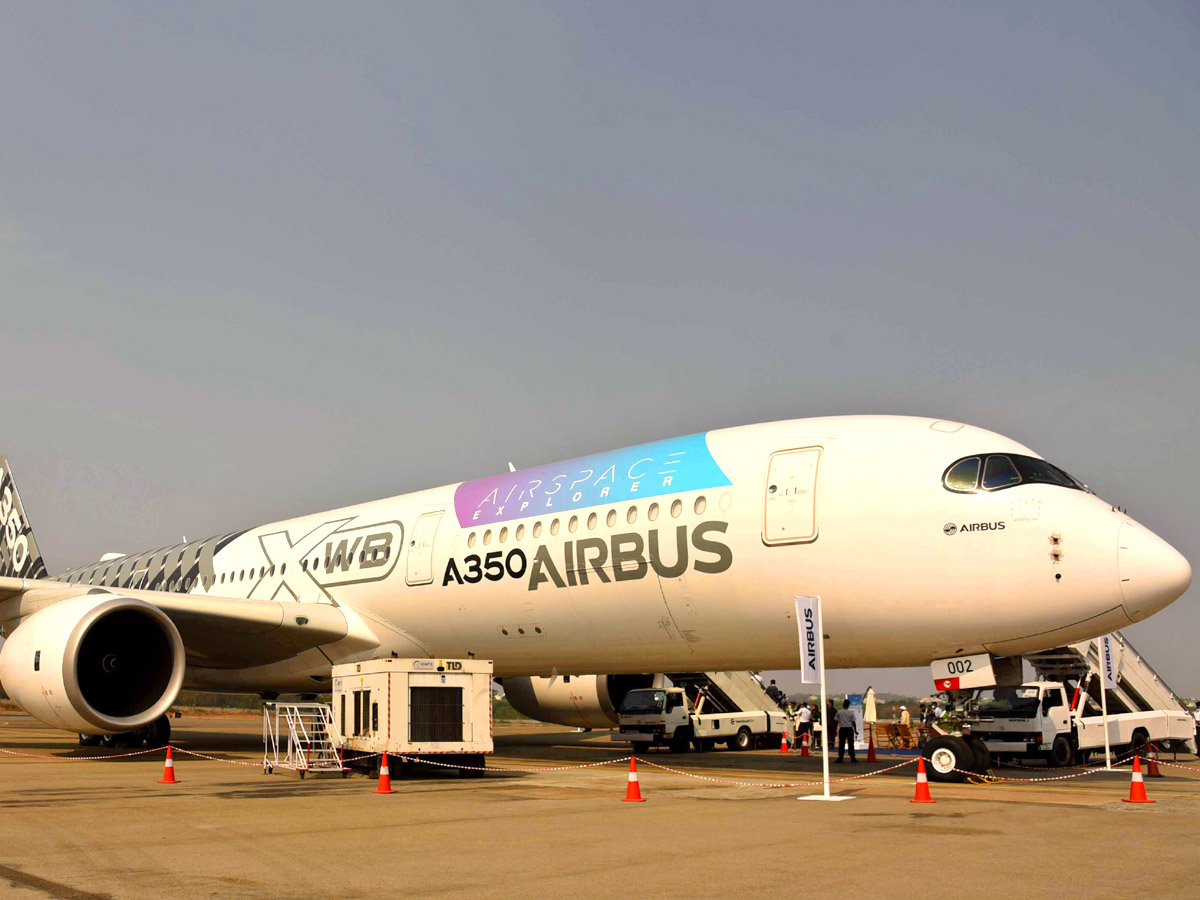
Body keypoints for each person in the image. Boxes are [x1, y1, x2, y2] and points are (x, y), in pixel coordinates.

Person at [835, 698, 858, 763]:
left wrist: (835, 729)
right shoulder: (850, 713)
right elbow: (853, 722)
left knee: (841, 743)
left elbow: (836, 721)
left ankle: (840, 757)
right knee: (851, 744)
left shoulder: (839, 712)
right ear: (848, 705)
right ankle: (852, 757)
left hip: (842, 728)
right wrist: (855, 730)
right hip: (849, 729)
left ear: (843, 705)